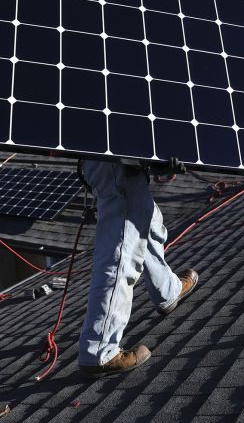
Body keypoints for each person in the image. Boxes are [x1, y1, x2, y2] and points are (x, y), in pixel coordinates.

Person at [77, 158, 199, 378]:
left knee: (147, 218)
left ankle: (167, 290)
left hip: (116, 157)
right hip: (114, 158)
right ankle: (99, 351)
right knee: (121, 251)